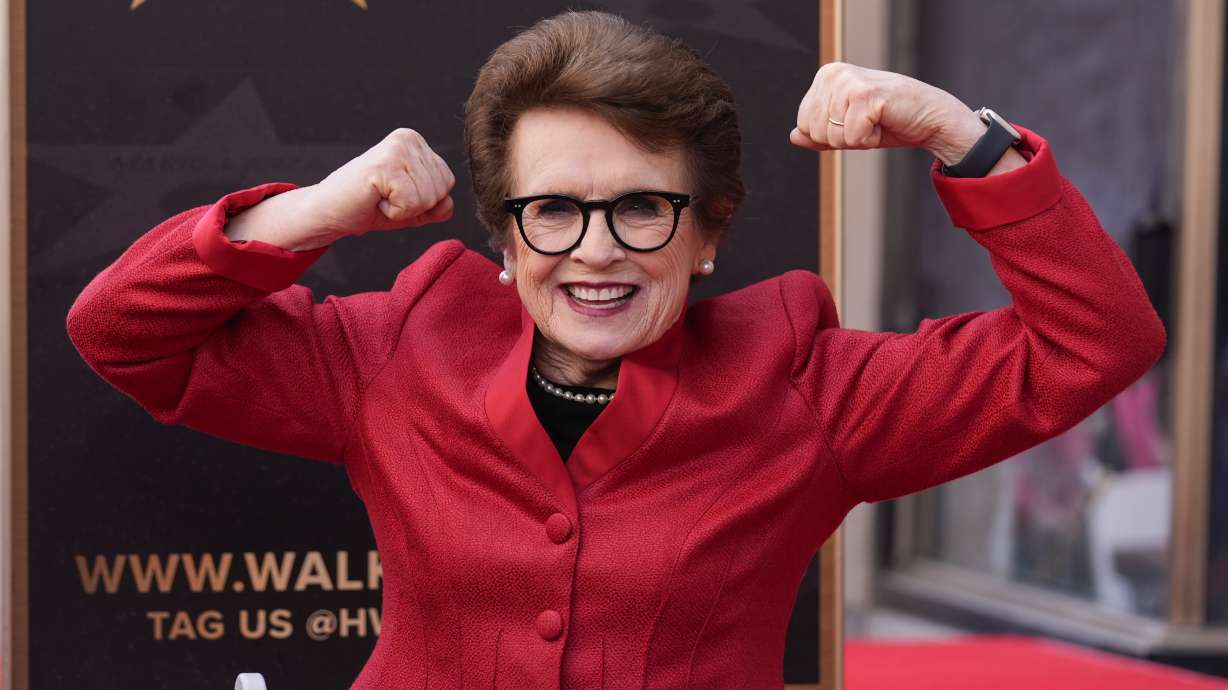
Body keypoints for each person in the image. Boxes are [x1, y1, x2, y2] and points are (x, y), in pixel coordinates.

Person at [65, 10, 1165, 689]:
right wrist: (312, 213)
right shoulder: (400, 348)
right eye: (551, 211)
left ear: (709, 232)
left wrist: (957, 135)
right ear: (503, 237)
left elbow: (1096, 342)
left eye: (642, 208)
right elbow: (121, 332)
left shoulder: (806, 388)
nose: (595, 253)